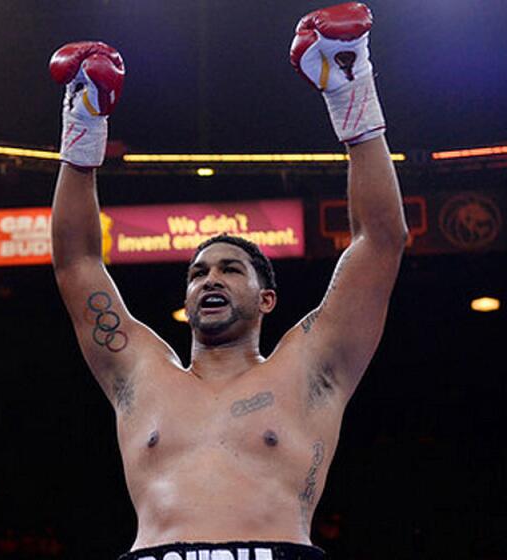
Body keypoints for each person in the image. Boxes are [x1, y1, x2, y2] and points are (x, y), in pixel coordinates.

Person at [49, 3, 408, 560]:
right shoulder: (139, 373)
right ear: (186, 299)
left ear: (267, 299)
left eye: (228, 269)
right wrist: (84, 127)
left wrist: (349, 85)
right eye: (197, 273)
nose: (208, 279)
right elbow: (76, 263)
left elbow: (380, 240)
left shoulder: (310, 367)